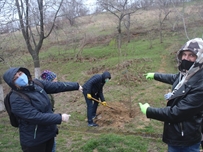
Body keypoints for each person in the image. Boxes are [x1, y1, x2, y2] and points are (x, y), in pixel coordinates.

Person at [139, 38, 203, 152]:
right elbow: (175, 78)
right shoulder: (189, 73)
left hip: (186, 139)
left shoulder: (200, 84)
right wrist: (155, 75)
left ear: (200, 57)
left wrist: (149, 111)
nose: (186, 58)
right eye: (184, 54)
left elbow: (177, 113)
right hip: (177, 134)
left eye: (191, 55)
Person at [3, 67, 82, 152]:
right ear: (12, 83)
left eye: (20, 73)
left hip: (49, 133)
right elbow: (35, 116)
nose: (20, 77)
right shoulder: (16, 99)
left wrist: (76, 86)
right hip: (34, 141)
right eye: (15, 78)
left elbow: (56, 86)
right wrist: (60, 117)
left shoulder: (36, 84)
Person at [40, 70, 58, 152]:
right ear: (49, 81)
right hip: (46, 128)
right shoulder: (45, 95)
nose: (57, 81)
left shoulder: (45, 92)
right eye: (55, 79)